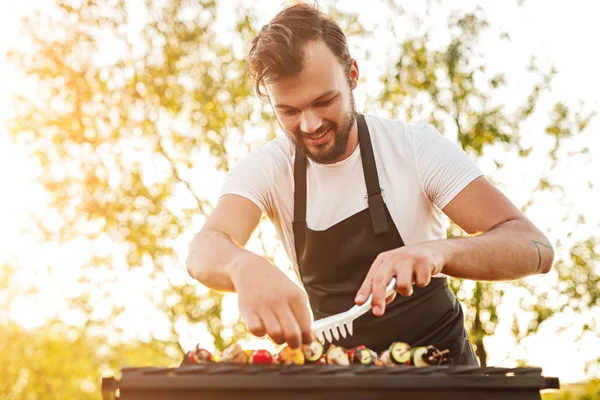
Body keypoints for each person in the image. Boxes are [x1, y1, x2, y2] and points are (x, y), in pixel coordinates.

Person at [185, 2, 554, 365]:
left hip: (443, 373)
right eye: (290, 111)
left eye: (324, 100)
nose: (310, 124)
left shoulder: (415, 148)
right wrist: (241, 267)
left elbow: (534, 246)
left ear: (352, 75)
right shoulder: (267, 169)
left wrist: (439, 252)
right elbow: (204, 248)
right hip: (345, 380)